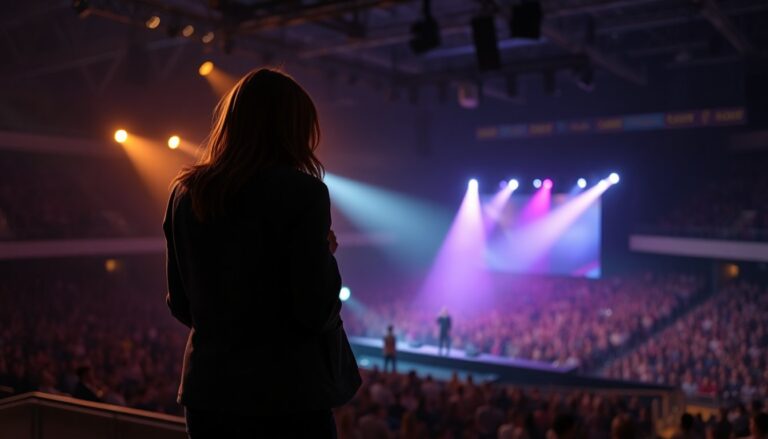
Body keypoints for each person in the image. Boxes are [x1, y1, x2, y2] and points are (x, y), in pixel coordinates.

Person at [164, 68, 361, 438]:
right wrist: (325, 253)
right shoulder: (304, 193)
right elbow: (316, 310)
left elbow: (180, 303)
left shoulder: (185, 193)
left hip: (209, 394)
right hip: (288, 397)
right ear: (292, 129)